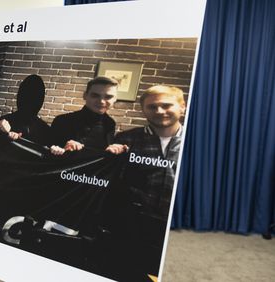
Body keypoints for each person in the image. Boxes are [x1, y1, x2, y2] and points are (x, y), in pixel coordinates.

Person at [106, 85, 186, 274]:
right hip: (130, 227)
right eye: (152, 107)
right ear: (143, 109)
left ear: (182, 106)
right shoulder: (126, 139)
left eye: (166, 105)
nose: (159, 111)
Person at [50, 76, 118, 155]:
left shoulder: (110, 123)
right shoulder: (62, 121)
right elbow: (48, 153)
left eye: (108, 97)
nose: (101, 101)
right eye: (95, 95)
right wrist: (62, 149)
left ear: (115, 99)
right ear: (85, 95)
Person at [0, 74, 52, 146]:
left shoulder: (45, 131)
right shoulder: (4, 123)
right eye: (27, 96)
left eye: (34, 98)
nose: (29, 102)